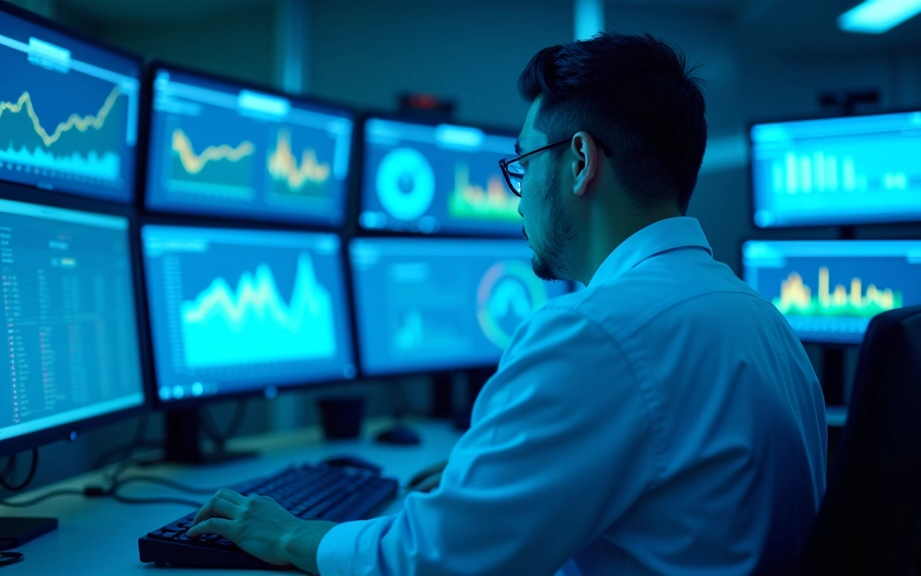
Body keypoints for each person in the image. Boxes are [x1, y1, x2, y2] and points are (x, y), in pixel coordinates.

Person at [185, 32, 828, 575]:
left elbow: (435, 559)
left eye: (523, 163)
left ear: (579, 162)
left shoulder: (594, 333)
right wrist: (496, 480)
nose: (517, 196)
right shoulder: (761, 320)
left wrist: (293, 535)